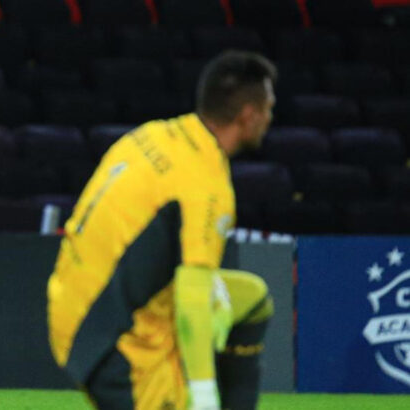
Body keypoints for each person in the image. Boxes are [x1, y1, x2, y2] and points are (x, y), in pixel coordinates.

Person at [47, 51, 277, 410]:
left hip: (69, 304)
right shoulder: (207, 184)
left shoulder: (150, 136)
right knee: (202, 302)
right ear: (248, 116)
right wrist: (203, 396)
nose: (269, 118)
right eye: (267, 109)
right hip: (115, 344)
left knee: (253, 300)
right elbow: (191, 301)